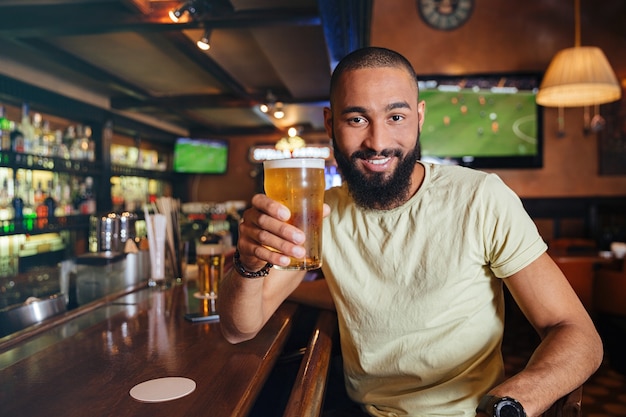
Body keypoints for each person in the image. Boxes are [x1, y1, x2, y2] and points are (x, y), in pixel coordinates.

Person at [218, 47, 603, 417]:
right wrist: (249, 263)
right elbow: (240, 329)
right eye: (356, 119)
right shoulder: (321, 211)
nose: (378, 142)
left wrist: (514, 402)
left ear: (419, 116)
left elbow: (576, 332)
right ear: (329, 123)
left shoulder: (481, 197)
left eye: (395, 117)